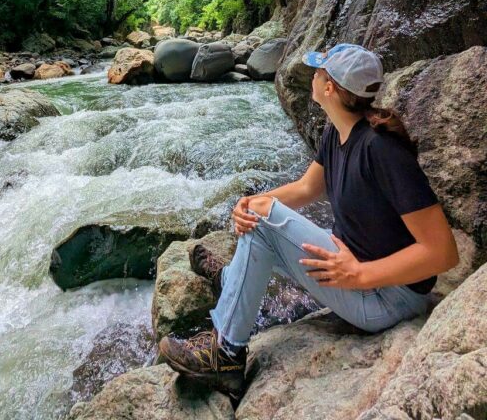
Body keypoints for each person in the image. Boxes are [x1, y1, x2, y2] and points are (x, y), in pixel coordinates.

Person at [158, 43, 460, 400]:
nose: (312, 77)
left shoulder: (382, 150)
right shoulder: (338, 133)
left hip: (389, 297)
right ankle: (231, 278)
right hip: (355, 272)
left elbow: (443, 253)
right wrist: (250, 202)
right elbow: (306, 188)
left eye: (319, 72)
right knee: (261, 215)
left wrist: (361, 274)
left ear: (330, 87)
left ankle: (226, 353)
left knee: (264, 220)